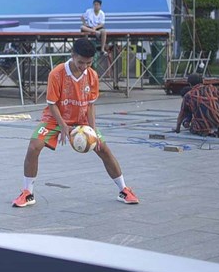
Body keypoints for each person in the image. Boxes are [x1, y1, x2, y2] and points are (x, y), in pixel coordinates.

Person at [11, 37, 139, 208]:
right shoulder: (57, 74)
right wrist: (63, 126)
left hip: (82, 118)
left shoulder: (92, 76)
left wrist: (93, 131)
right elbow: (52, 104)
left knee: (104, 150)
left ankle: (124, 189)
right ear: (72, 55)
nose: (84, 66)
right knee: (34, 146)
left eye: (88, 63)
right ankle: (28, 193)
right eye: (81, 62)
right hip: (55, 118)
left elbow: (91, 106)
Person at [175, 73, 219, 138]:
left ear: (190, 84)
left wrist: (177, 129)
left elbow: (182, 114)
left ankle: (203, 130)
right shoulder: (212, 89)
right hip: (217, 122)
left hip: (200, 127)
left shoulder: (188, 95)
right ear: (203, 81)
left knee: (192, 119)